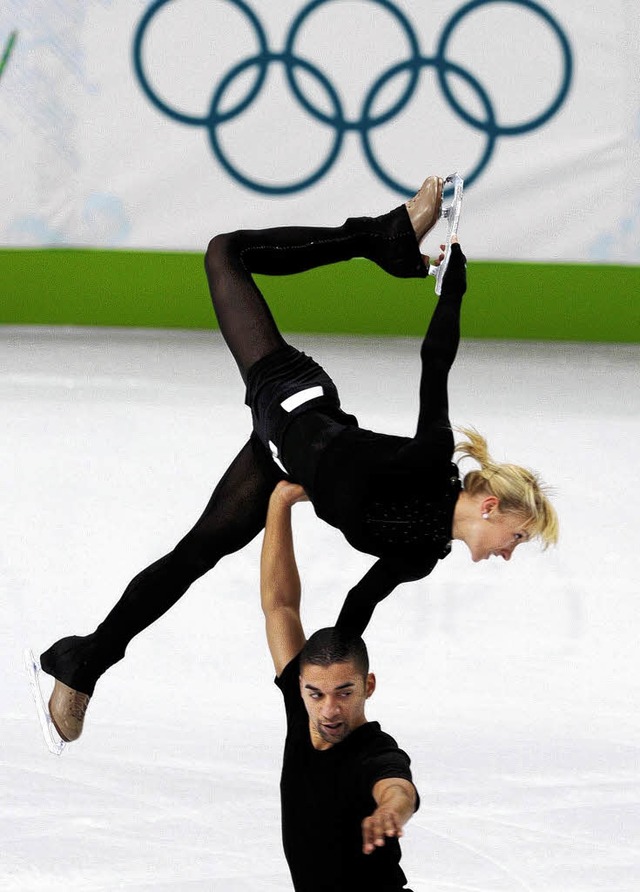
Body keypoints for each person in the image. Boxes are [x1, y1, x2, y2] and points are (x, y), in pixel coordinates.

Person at [40, 176, 558, 743]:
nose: (511, 553)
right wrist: (453, 294)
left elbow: (357, 607)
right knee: (225, 252)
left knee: (194, 553)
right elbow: (436, 364)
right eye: (520, 536)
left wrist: (323, 696)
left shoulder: (422, 553)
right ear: (490, 506)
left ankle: (84, 662)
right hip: (291, 399)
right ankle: (377, 238)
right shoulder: (431, 462)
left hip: (282, 462)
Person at [260, 479, 417, 891]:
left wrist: (392, 810)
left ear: (368, 685)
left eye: (344, 693)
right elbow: (279, 604)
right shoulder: (302, 708)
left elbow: (397, 786)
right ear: (301, 688)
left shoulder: (374, 751)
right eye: (316, 694)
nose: (329, 709)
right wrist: (281, 500)